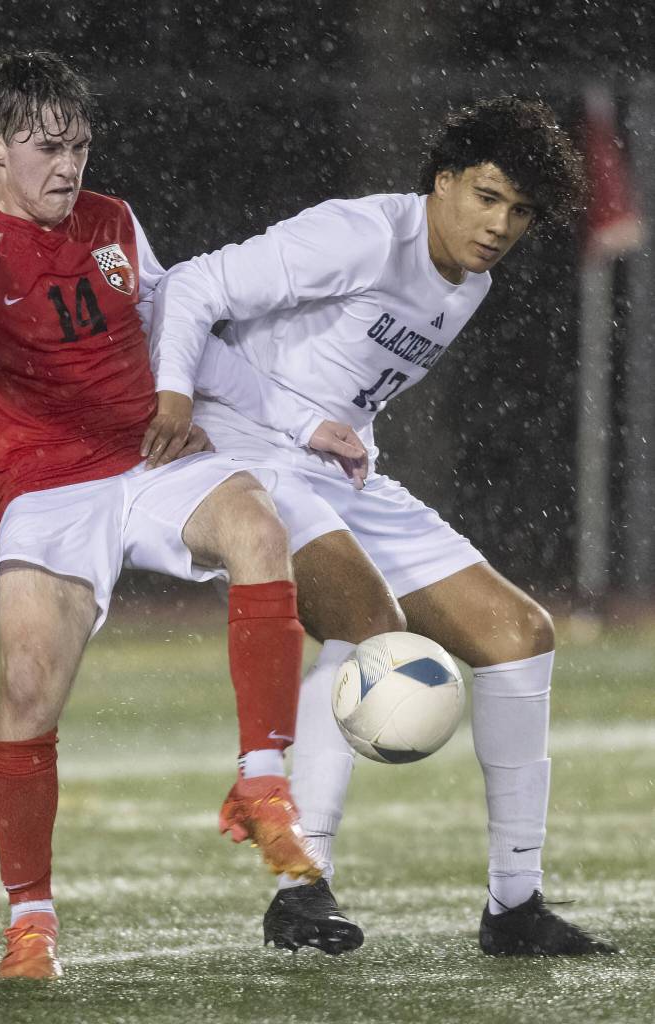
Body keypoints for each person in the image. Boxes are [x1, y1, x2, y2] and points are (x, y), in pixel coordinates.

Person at [0, 50, 367, 980]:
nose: (67, 167)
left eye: (79, 146)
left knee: (259, 526)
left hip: (147, 462)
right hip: (46, 497)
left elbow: (178, 339)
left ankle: (264, 788)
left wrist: (307, 421)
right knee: (27, 691)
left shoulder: (112, 222)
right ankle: (31, 924)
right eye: (45, 148)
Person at [150, 97, 618, 957]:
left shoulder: (470, 282)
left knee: (520, 636)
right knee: (367, 626)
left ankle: (514, 908)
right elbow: (192, 284)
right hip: (248, 457)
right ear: (442, 182)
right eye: (485, 196)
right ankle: (302, 887)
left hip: (332, 470)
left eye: (518, 212)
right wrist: (175, 395)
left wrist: (351, 440)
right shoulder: (363, 233)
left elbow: (345, 379)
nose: (498, 226)